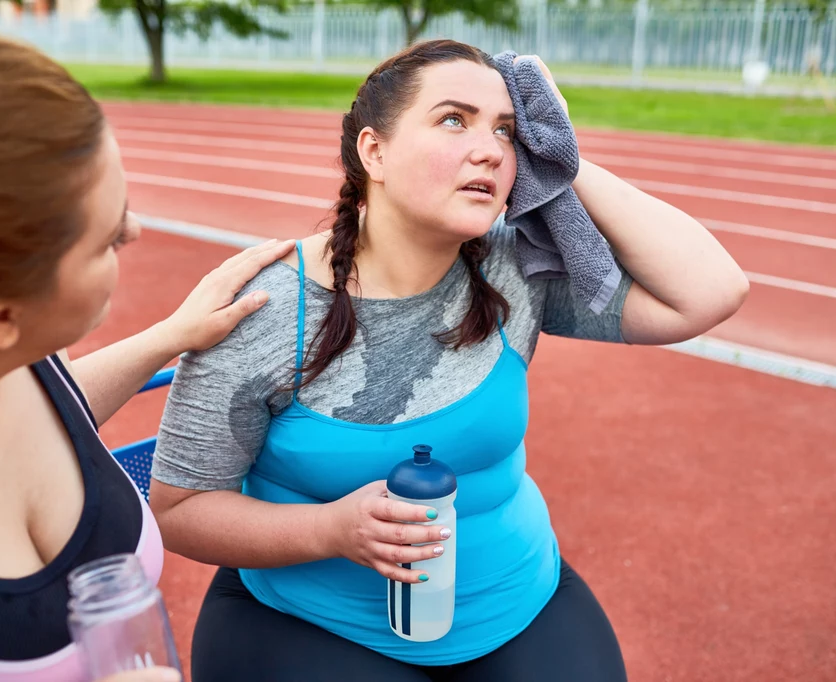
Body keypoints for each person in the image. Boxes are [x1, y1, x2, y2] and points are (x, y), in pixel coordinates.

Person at [150, 39, 749, 681]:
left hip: (518, 602)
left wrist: (564, 161)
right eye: (454, 120)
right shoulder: (267, 307)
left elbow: (710, 293)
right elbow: (179, 510)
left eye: (507, 130)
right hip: (311, 622)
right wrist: (331, 532)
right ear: (374, 152)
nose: (491, 148)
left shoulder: (515, 268)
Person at [0, 32, 294, 682]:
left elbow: (55, 403)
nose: (134, 232)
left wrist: (170, 335)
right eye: (107, 240)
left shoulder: (13, 367)